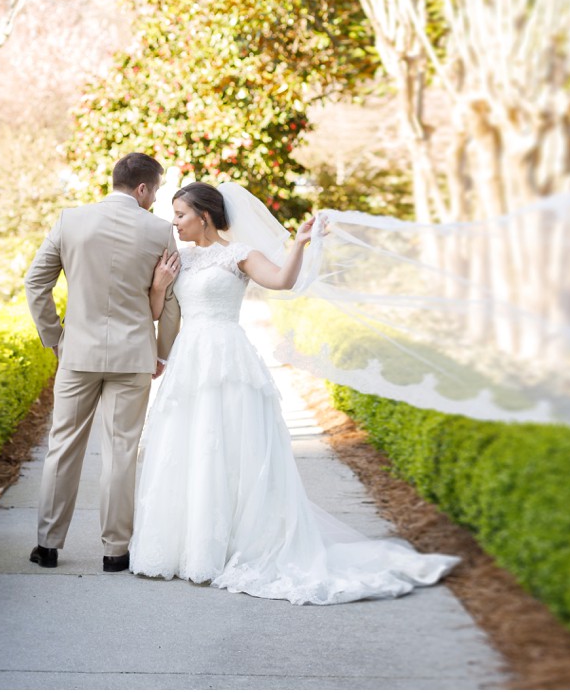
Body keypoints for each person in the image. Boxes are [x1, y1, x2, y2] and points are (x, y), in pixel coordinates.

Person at [129, 180, 459, 604]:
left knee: (230, 447)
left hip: (228, 359)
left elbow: (283, 281)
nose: (173, 223)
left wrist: (300, 243)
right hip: (189, 360)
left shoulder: (239, 254)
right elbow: (157, 313)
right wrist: (158, 285)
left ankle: (230, 546)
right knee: (188, 447)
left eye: (180, 215)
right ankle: (188, 548)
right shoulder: (178, 260)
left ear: (204, 216)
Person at [24, 152, 181, 572]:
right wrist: (162, 351)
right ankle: (115, 552)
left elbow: (35, 281)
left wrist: (53, 335)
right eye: (156, 191)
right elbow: (169, 303)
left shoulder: (70, 220)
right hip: (133, 356)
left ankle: (48, 546)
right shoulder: (160, 230)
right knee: (121, 451)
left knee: (63, 446)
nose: (156, 199)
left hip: (78, 353)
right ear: (143, 188)